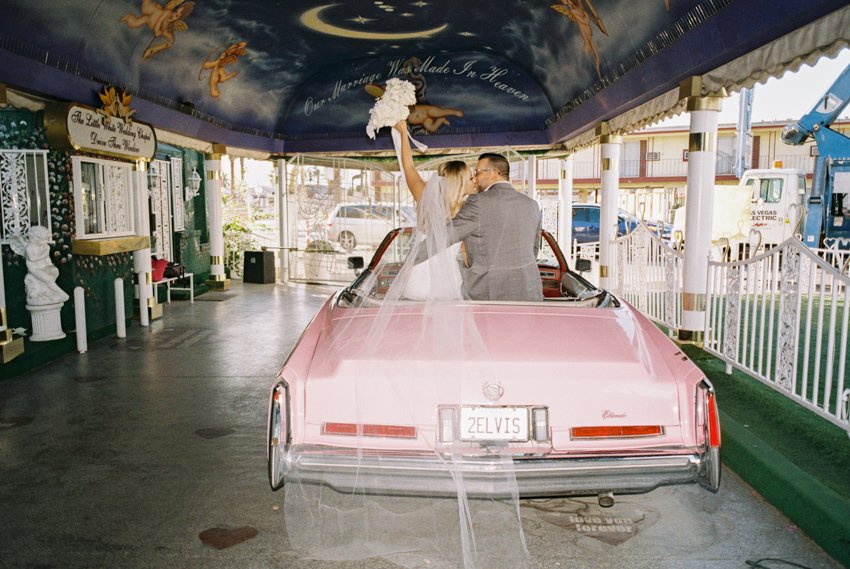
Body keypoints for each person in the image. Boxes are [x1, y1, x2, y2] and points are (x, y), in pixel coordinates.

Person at [393, 120, 475, 300]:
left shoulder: (425, 198)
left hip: (416, 282)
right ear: (460, 184)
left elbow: (408, 167)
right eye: (471, 178)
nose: (475, 181)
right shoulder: (469, 211)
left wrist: (402, 134)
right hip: (447, 285)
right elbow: (466, 254)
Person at [448, 153, 544, 301]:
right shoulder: (532, 205)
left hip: (489, 293)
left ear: (494, 174)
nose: (475, 178)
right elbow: (534, 249)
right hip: (529, 290)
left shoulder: (477, 202)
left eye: (477, 173)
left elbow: (449, 237)